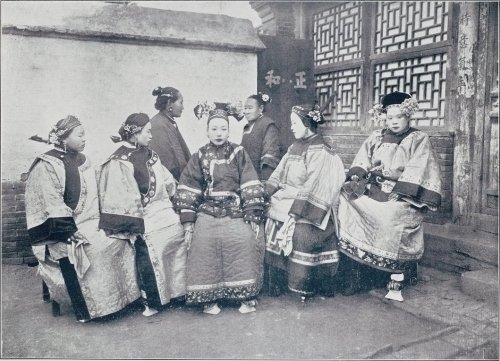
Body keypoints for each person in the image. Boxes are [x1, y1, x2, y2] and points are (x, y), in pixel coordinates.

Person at [25, 116, 140, 322]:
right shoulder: (47, 164)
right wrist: (69, 233)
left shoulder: (83, 160)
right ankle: (87, 309)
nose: (85, 139)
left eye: (84, 134)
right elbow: (48, 203)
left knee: (120, 239)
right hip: (61, 230)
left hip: (90, 220)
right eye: (80, 135)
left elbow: (97, 194)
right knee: (93, 249)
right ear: (63, 138)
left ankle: (122, 300)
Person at [337, 91, 442, 299]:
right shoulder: (376, 137)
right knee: (345, 203)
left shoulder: (418, 139)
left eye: (399, 117)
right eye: (390, 117)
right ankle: (359, 272)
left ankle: (391, 272)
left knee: (390, 216)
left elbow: (419, 168)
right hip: (373, 188)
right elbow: (361, 161)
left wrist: (401, 192)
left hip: (402, 194)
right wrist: (358, 180)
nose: (393, 122)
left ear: (408, 116)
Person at [173, 103, 266, 315]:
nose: (218, 133)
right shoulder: (199, 156)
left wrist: (252, 212)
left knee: (243, 240)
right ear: (207, 131)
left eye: (223, 128)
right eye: (214, 128)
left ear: (228, 130)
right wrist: (188, 220)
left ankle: (245, 296)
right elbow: (189, 186)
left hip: (234, 209)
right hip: (208, 211)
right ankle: (209, 298)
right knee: (203, 242)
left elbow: (250, 181)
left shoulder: (238, 152)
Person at [97, 113, 187, 316]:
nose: (151, 136)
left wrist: (180, 199)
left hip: (162, 208)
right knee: (151, 239)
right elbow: (121, 196)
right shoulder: (120, 160)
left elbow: (168, 181)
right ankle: (153, 299)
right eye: (147, 131)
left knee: (178, 231)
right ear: (135, 134)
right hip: (141, 214)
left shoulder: (151, 154)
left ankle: (178, 292)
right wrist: (137, 223)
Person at [264, 104, 345, 301]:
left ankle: (305, 285)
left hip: (311, 205)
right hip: (288, 197)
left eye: (294, 123)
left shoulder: (322, 150)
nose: (291, 127)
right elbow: (279, 172)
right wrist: (266, 191)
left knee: (302, 233)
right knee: (267, 217)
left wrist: (295, 211)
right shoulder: (294, 147)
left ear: (307, 124)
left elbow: (316, 184)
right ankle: (277, 281)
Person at [150, 86, 191, 181]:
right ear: (169, 104)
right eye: (180, 102)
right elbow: (169, 162)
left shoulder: (167, 121)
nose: (183, 107)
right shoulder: (159, 124)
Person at [241, 93, 283, 181]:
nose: (246, 111)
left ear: (260, 109)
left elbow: (270, 156)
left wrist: (264, 181)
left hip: (260, 177)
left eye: (250, 108)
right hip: (246, 175)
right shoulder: (247, 127)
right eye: (245, 108)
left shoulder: (268, 125)